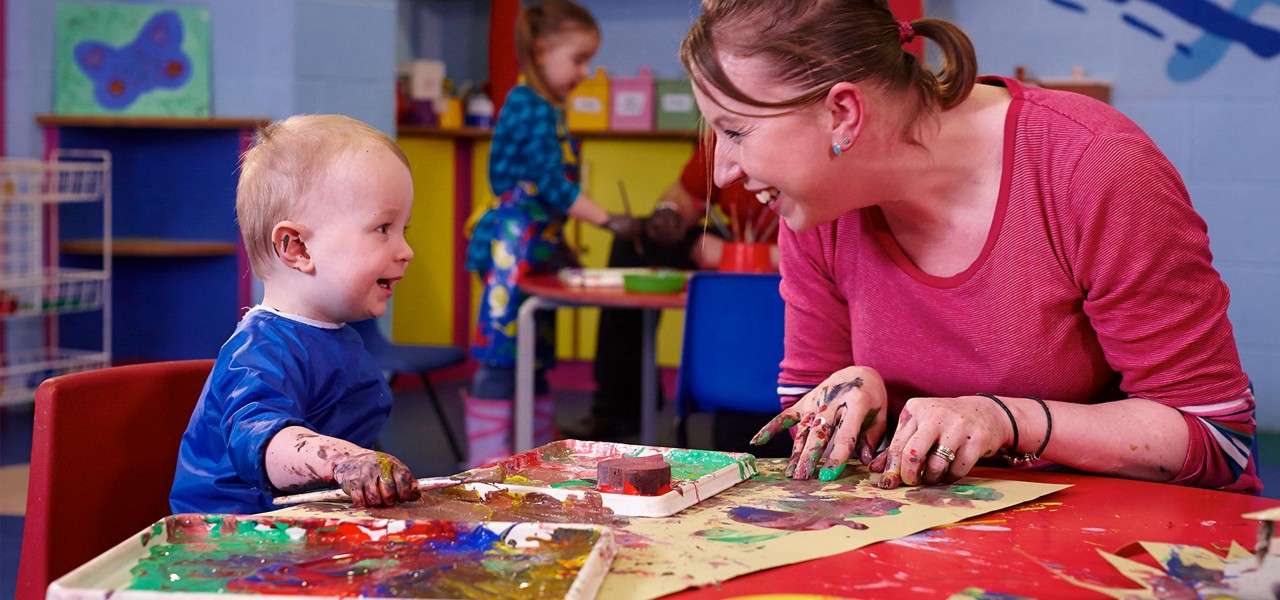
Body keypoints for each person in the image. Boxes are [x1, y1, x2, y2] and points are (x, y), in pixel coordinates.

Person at [681, 0, 1259, 493]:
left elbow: (1215, 437)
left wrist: (1005, 419)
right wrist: (852, 397)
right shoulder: (815, 206)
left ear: (843, 113)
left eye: (735, 131)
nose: (725, 172)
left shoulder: (1091, 165)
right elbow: (812, 408)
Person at [170, 115, 421, 513]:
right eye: (383, 228)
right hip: (235, 544)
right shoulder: (260, 350)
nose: (405, 250)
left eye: (404, 228)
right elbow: (267, 443)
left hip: (301, 526)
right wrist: (344, 462)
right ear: (297, 248)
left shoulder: (336, 336)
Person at [463, 0, 641, 466]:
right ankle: (486, 461)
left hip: (538, 246)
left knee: (535, 355)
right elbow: (549, 182)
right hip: (511, 245)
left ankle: (534, 455)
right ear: (541, 50)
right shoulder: (527, 104)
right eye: (578, 58)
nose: (585, 71)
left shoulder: (549, 108)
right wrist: (607, 219)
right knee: (502, 353)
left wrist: (561, 244)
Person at [570, 138, 779, 440]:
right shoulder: (729, 134)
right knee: (637, 239)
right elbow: (682, 196)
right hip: (734, 254)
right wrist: (669, 213)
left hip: (784, 264)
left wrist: (730, 253)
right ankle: (619, 407)